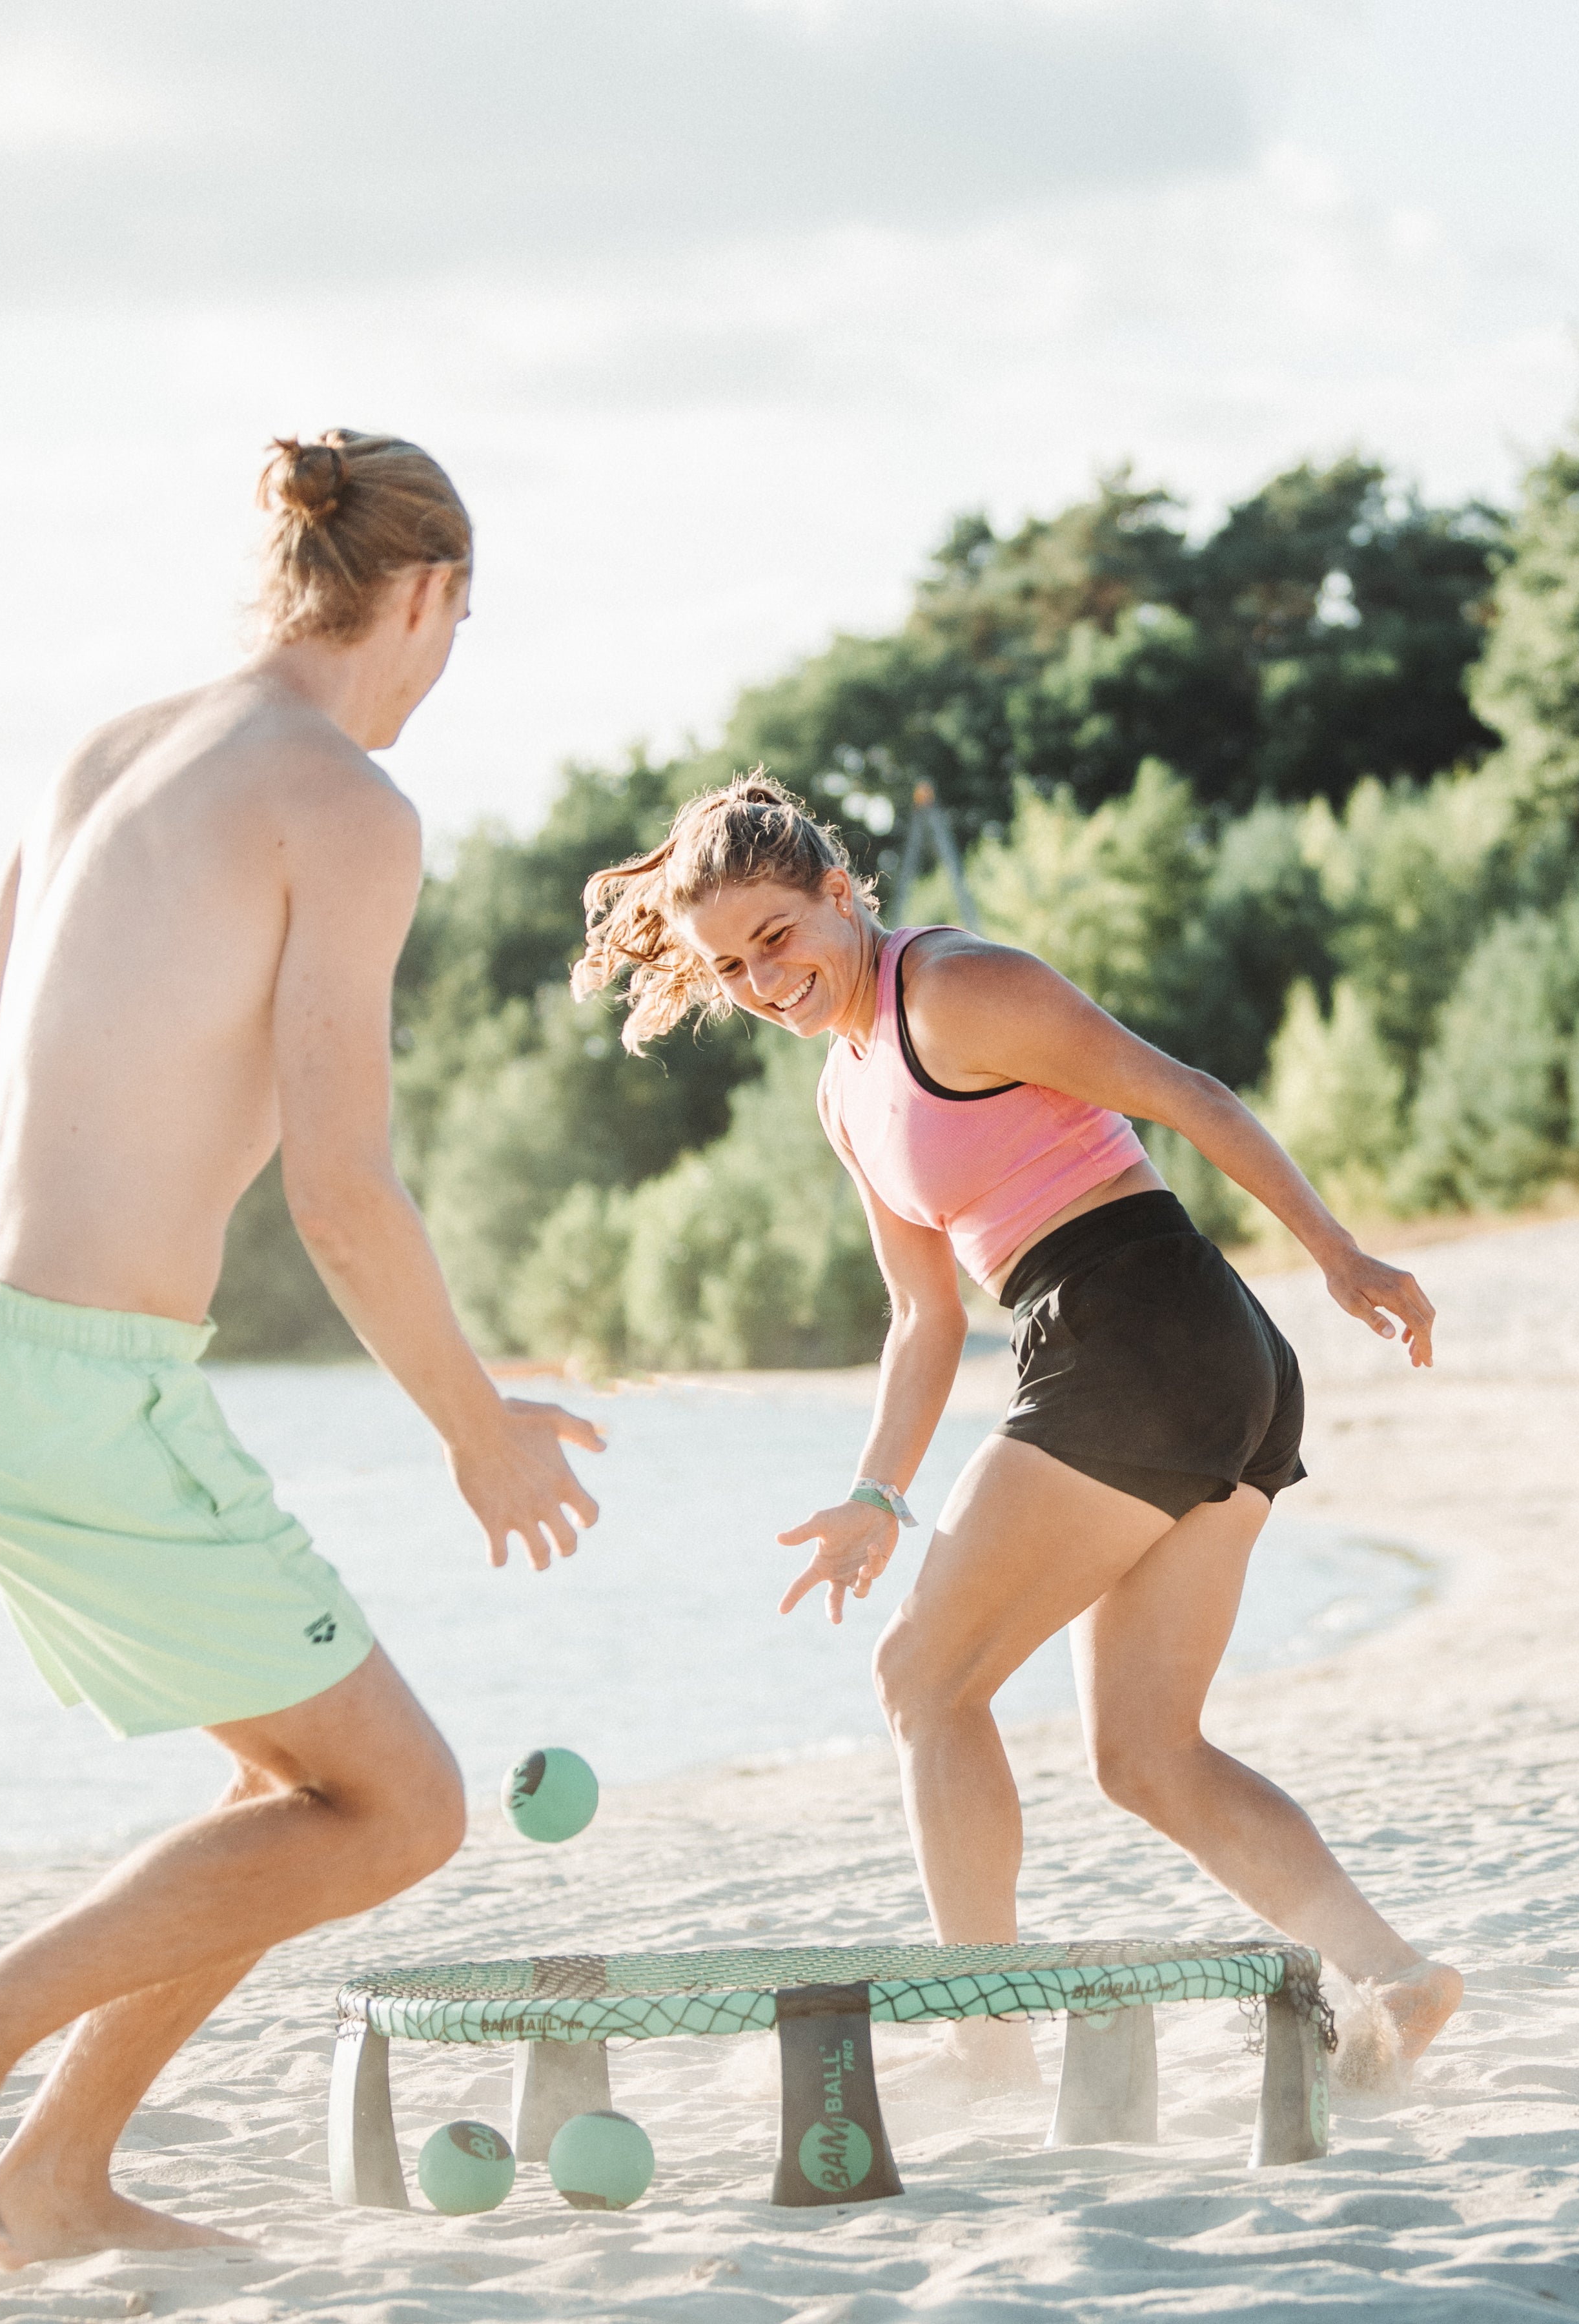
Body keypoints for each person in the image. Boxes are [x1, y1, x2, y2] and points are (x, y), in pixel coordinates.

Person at [0, 432, 604, 2267]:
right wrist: (475, 1426)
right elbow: (346, 1192)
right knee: (400, 1807)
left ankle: (65, 2174)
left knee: (296, 1792)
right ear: (422, 594)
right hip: (83, 1389)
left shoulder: (107, 750)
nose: (443, 670)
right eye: (459, 625)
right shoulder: (340, 804)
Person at [573, 779, 1463, 2077]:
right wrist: (877, 1498)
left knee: (923, 1681)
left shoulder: (954, 992)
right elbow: (923, 1322)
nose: (766, 979)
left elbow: (1191, 1096)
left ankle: (984, 2037)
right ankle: (1396, 1975)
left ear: (839, 892)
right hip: (1180, 1358)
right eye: (730, 966)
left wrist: (1341, 1256)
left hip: (1141, 1327)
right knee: (1146, 1755)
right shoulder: (845, 1091)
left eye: (778, 936)